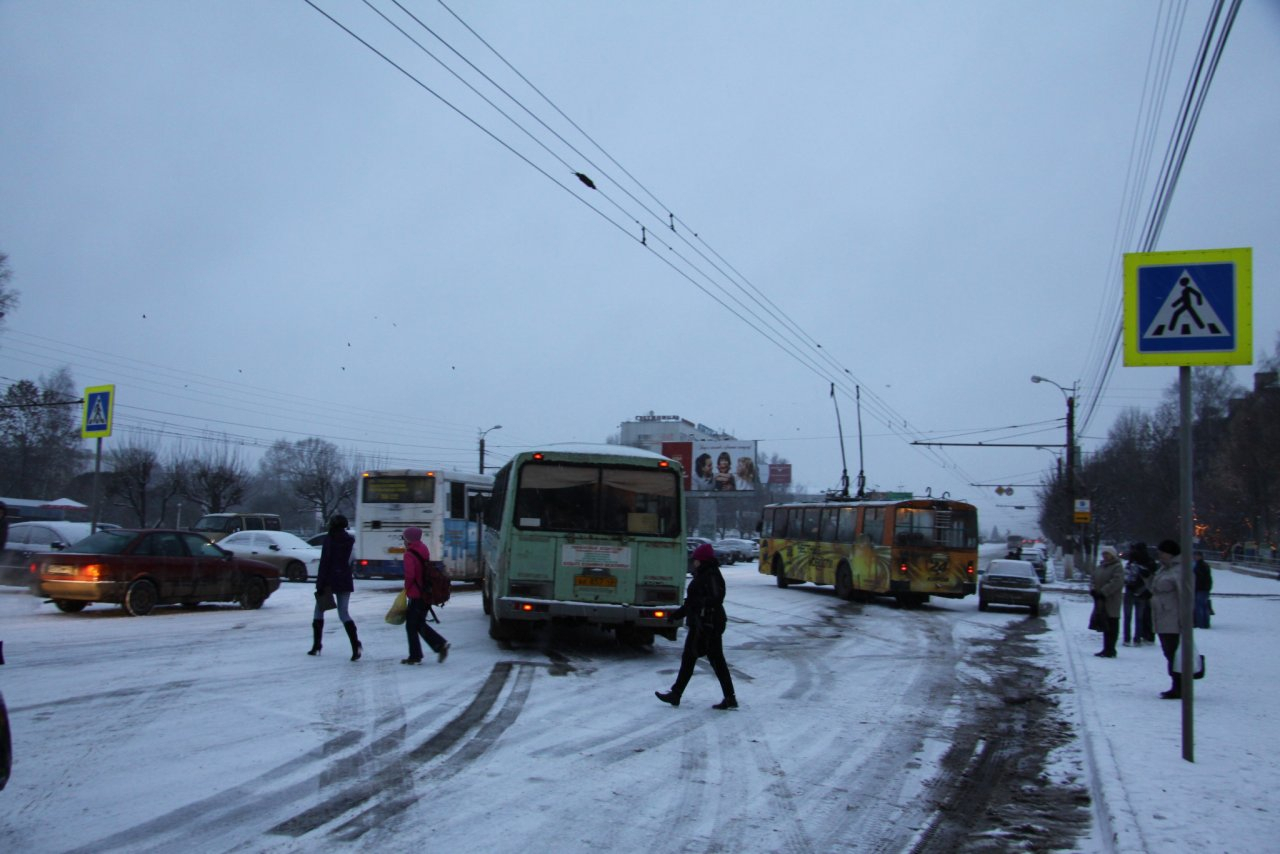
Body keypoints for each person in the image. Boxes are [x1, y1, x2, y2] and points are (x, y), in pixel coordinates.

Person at [655, 543, 737, 710]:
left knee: (692, 659)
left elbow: (716, 598)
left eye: (696, 559)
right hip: (704, 624)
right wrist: (677, 615)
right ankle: (729, 698)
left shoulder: (711, 575)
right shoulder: (704, 574)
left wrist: (699, 605)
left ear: (703, 560)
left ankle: (676, 694)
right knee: (713, 661)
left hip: (706, 625)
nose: (693, 562)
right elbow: (692, 602)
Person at [308, 514, 361, 660]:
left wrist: (320, 584)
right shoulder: (350, 541)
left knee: (319, 610)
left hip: (329, 580)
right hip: (344, 580)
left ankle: (316, 645)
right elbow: (351, 561)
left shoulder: (329, 540)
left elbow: (325, 563)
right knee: (343, 614)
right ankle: (356, 646)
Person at [401, 526, 449, 665]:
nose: (403, 540)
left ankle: (417, 655)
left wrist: (406, 588)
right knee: (418, 623)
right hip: (426, 592)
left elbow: (410, 575)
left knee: (411, 625)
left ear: (409, 539)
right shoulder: (423, 548)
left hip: (417, 594)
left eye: (404, 537)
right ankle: (438, 646)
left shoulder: (409, 554)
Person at [1149, 539, 1184, 699]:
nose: (1160, 555)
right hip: (1162, 616)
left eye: (1162, 552)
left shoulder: (1179, 571)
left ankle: (1179, 686)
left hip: (1173, 618)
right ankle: (1176, 684)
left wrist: (1185, 619)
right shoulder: (1164, 569)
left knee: (1174, 653)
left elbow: (1185, 596)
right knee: (1168, 652)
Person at [1090, 546, 1125, 657]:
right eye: (1104, 554)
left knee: (1112, 624)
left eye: (1107, 554)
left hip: (1112, 600)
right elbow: (1093, 578)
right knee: (1104, 624)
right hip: (1100, 600)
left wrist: (1103, 592)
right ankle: (1106, 648)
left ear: (1113, 555)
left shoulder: (1117, 567)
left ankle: (1111, 649)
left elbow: (1116, 582)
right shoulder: (1101, 566)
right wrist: (1093, 589)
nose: (1105, 556)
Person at [1128, 541, 1157, 644]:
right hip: (1146, 588)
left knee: (1144, 613)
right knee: (1146, 614)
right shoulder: (1149, 560)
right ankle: (1147, 634)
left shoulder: (1138, 560)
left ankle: (1146, 634)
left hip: (1142, 587)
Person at [1193, 550, 1213, 629]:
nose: (1194, 557)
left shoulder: (1199, 566)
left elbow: (1200, 578)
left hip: (1200, 588)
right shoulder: (1204, 565)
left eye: (1196, 556)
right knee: (1204, 606)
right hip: (1204, 588)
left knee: (1199, 606)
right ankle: (1205, 623)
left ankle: (1200, 623)